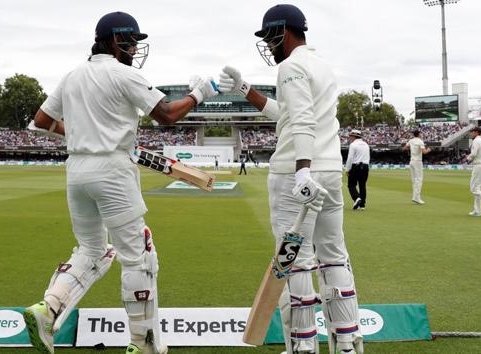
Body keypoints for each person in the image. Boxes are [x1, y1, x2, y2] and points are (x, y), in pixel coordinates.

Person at [24, 11, 218, 354]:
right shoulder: (123, 73)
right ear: (114, 40)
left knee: (91, 251)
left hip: (77, 170)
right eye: (131, 41)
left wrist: (85, 134)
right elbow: (168, 115)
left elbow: (40, 121)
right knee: (138, 258)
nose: (134, 49)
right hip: (113, 171)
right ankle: (142, 343)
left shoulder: (72, 76)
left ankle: (48, 308)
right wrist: (199, 94)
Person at [218, 4, 363, 353]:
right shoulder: (322, 66)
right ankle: (346, 344)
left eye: (269, 37)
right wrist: (244, 88)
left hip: (296, 175)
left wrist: (301, 169)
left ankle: (303, 348)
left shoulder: (291, 66)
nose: (268, 45)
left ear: (283, 31)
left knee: (294, 263)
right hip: (328, 170)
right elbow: (286, 114)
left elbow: (300, 120)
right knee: (333, 256)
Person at [403, 129, 431, 204]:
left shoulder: (411, 140)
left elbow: (404, 148)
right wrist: (429, 149)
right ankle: (417, 198)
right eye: (421, 134)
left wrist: (411, 149)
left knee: (414, 180)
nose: (422, 135)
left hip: (411, 161)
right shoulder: (420, 141)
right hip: (417, 162)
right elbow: (424, 152)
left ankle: (414, 197)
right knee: (419, 180)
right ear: (418, 134)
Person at [345, 129, 370, 210]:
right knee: (362, 186)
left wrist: (347, 169)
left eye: (351, 136)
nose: (350, 137)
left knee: (351, 185)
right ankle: (362, 205)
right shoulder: (366, 144)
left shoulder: (353, 145)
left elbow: (350, 158)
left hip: (356, 166)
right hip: (365, 166)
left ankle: (356, 198)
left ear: (354, 136)